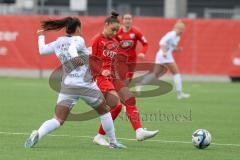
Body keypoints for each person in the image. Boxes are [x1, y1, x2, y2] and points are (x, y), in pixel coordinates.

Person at [24, 17, 126, 149]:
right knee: (105, 112)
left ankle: (38, 133)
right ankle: (113, 142)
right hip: (85, 85)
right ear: (77, 28)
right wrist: (76, 58)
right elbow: (73, 48)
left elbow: (42, 51)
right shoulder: (78, 39)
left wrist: (41, 37)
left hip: (68, 86)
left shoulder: (59, 42)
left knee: (58, 119)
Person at [89, 11, 159, 147]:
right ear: (106, 25)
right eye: (113, 29)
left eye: (117, 30)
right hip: (99, 78)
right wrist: (100, 70)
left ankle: (139, 131)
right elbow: (89, 61)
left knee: (129, 99)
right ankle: (100, 136)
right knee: (117, 106)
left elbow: (114, 60)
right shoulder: (97, 40)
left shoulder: (115, 41)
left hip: (112, 77)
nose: (115, 32)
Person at [136, 20, 190, 99]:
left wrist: (177, 49)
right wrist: (164, 52)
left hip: (165, 55)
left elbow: (171, 47)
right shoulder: (171, 34)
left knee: (156, 74)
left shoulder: (177, 37)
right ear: (177, 28)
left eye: (183, 30)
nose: (182, 31)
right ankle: (180, 94)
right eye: (181, 29)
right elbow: (162, 42)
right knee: (176, 73)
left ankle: (140, 84)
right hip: (164, 55)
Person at [116, 13, 148, 85]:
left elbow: (145, 43)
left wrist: (143, 52)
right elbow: (111, 43)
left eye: (129, 19)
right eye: (126, 19)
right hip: (120, 60)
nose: (127, 21)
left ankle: (122, 93)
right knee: (123, 79)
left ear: (132, 20)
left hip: (132, 60)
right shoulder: (117, 32)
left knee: (128, 80)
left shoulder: (136, 32)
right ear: (122, 20)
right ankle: (121, 94)